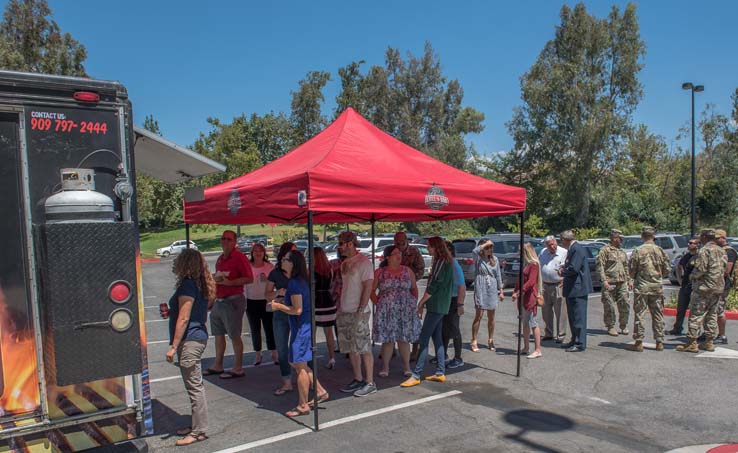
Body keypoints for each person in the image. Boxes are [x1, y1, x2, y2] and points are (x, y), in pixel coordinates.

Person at [269, 250, 328, 417]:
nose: (282, 260)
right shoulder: (299, 281)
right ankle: (320, 391)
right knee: (297, 363)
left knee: (299, 366)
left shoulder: (295, 283)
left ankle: (303, 404)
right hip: (302, 327)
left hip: (301, 328)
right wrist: (282, 301)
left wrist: (278, 306)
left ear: (293, 263)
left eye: (286, 259)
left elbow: (297, 310)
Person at [167, 249, 215, 446]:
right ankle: (197, 425)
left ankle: (199, 430)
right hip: (197, 336)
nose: (175, 262)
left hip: (190, 339)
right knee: (194, 385)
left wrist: (173, 345)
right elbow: (201, 309)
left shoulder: (188, 284)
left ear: (184, 263)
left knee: (194, 387)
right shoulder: (200, 282)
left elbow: (185, 317)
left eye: (178, 259)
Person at [401, 236, 454, 387]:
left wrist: (421, 302)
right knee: (437, 339)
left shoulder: (441, 262)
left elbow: (434, 286)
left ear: (436, 247)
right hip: (439, 305)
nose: (428, 249)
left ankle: (416, 374)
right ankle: (440, 372)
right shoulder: (444, 261)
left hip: (436, 306)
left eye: (429, 246)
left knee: (423, 339)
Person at [205, 230, 253, 379]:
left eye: (229, 239)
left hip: (233, 300)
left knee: (234, 335)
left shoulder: (239, 258)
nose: (225, 241)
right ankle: (218, 364)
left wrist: (231, 282)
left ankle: (238, 367)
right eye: (223, 238)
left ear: (234, 242)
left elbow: (249, 278)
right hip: (219, 300)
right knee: (218, 334)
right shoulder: (220, 258)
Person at [336, 231, 377, 397]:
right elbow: (345, 288)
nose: (339, 247)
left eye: (341, 244)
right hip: (345, 310)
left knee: (363, 347)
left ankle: (370, 382)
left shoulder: (364, 262)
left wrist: (361, 309)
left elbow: (368, 287)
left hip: (358, 311)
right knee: (350, 348)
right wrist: (340, 307)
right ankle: (358, 378)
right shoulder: (345, 262)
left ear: (350, 244)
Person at [370, 245, 421, 377]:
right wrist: (379, 303)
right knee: (388, 340)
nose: (399, 256)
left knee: (403, 339)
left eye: (400, 254)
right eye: (396, 254)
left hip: (405, 311)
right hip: (386, 311)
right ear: (388, 257)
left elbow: (414, 289)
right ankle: (385, 367)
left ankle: (407, 367)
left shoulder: (407, 271)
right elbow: (371, 290)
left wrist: (412, 304)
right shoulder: (380, 272)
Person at [677, 229, 727, 353]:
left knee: (696, 314)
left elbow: (700, 269)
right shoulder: (722, 251)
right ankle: (709, 342)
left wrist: (691, 276)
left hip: (704, 287)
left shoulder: (704, 251)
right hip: (718, 287)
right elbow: (725, 269)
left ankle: (692, 343)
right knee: (711, 314)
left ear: (705, 237)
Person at [627, 226, 671, 352]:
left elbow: (632, 269)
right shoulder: (660, 250)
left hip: (642, 287)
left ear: (642, 236)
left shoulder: (638, 250)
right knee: (658, 314)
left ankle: (639, 341)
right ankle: (659, 341)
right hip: (656, 286)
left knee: (640, 314)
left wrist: (635, 276)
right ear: (654, 236)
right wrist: (658, 274)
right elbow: (667, 269)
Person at [266, 242, 297, 396]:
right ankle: (287, 381)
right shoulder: (275, 273)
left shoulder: (300, 273)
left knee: (302, 346)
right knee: (282, 349)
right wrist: (278, 292)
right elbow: (267, 294)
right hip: (280, 313)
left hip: (297, 313)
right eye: (290, 255)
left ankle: (310, 379)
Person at [559, 230, 593, 352]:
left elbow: (574, 268)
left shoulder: (577, 249)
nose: (561, 243)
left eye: (561, 241)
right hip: (572, 289)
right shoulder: (573, 248)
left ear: (565, 240)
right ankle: (574, 339)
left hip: (578, 289)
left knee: (578, 317)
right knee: (572, 317)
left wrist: (562, 271)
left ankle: (580, 343)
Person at [244, 243, 277, 366]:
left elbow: (275, 283)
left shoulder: (269, 267)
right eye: (256, 251)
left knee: (270, 328)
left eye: (261, 251)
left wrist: (267, 280)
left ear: (264, 253)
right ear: (252, 253)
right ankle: (258, 354)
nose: (258, 253)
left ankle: (274, 353)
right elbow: (244, 286)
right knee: (255, 329)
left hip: (266, 301)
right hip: (251, 301)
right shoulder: (247, 266)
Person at [394, 231, 425, 362]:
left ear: (406, 240)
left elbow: (421, 269)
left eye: (401, 242)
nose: (399, 244)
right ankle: (392, 348)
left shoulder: (414, 251)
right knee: (394, 321)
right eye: (396, 242)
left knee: (412, 321)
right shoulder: (393, 251)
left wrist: (409, 280)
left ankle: (415, 348)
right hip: (395, 292)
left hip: (409, 291)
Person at [596, 229, 631, 336]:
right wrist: (604, 281)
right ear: (614, 238)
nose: (622, 240)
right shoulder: (605, 251)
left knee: (625, 304)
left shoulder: (622, 252)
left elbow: (626, 267)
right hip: (610, 283)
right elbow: (600, 266)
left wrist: (629, 280)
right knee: (609, 306)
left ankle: (623, 325)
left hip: (622, 282)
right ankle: (610, 326)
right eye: (620, 238)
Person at [470, 239, 504, 352]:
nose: (489, 249)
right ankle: (474, 340)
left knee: (491, 317)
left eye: (491, 247)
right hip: (481, 286)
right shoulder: (478, 259)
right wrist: (484, 244)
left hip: (492, 287)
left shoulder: (495, 259)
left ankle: (490, 339)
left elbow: (498, 275)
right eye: (487, 248)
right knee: (479, 315)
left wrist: (501, 290)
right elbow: (474, 252)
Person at [513, 243, 543, 359]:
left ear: (527, 252)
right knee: (525, 323)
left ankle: (538, 349)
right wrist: (516, 290)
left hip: (530, 297)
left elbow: (531, 282)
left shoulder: (534, 265)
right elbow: (520, 280)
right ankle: (526, 347)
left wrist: (519, 291)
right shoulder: (525, 264)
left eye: (521, 251)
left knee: (533, 322)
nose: (519, 253)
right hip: (523, 297)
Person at [538, 235, 568, 343]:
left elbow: (567, 268)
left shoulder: (564, 252)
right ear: (546, 245)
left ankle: (561, 334)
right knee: (546, 311)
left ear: (556, 241)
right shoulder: (543, 252)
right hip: (545, 285)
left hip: (558, 285)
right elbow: (539, 265)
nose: (552, 246)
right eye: (549, 244)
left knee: (560, 311)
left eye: (553, 243)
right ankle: (548, 333)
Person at [442, 241, 466, 369]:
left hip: (454, 300)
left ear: (450, 250)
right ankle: (443, 355)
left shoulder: (454, 266)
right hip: (447, 300)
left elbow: (462, 286)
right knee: (444, 329)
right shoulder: (446, 264)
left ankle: (458, 358)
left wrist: (460, 304)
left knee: (454, 329)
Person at [313, 246, 337, 369]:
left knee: (312, 332)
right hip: (328, 300)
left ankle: (311, 359)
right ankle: (332, 358)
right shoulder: (330, 270)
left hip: (316, 301)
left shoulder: (311, 270)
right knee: (329, 333)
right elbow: (331, 284)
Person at [669, 237, 699, 335]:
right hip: (685, 286)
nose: (688, 244)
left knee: (695, 311)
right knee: (681, 308)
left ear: (697, 245)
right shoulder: (686, 256)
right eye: (689, 243)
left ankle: (693, 331)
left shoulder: (700, 256)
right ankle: (677, 328)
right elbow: (678, 267)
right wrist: (679, 280)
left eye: (691, 243)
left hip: (695, 287)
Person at [715, 229, 736, 344]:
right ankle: (710, 333)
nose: (716, 240)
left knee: (720, 310)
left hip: (723, 284)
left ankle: (722, 335)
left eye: (718, 238)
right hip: (715, 284)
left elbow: (727, 270)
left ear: (724, 238)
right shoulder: (719, 250)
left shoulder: (729, 251)